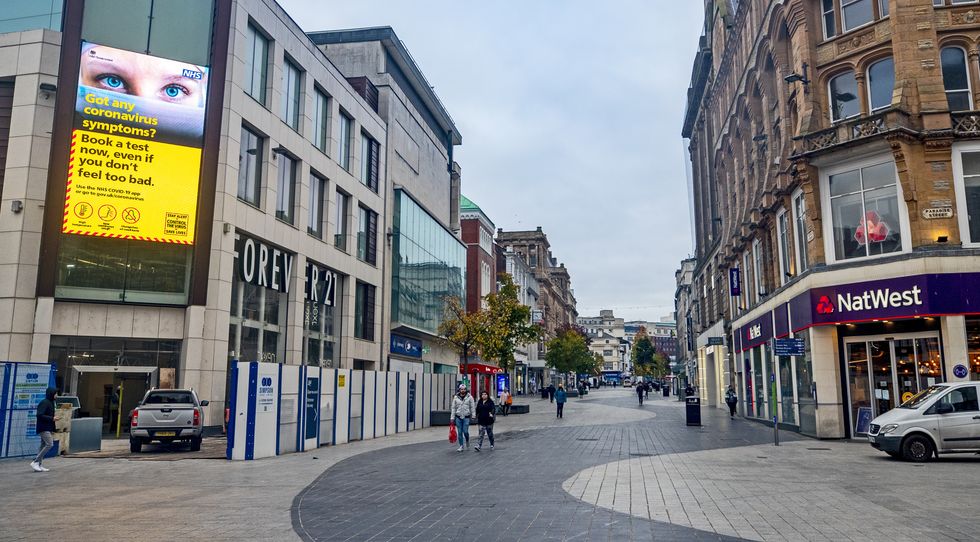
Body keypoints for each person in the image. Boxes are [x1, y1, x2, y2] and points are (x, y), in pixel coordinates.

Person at [31, 387, 58, 472]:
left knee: (43, 445)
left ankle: (39, 464)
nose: (57, 395)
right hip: (43, 427)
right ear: (51, 394)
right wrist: (52, 418)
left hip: (48, 427)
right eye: (55, 393)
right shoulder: (44, 402)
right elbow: (39, 415)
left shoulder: (51, 402)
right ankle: (35, 461)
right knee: (50, 444)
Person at [450, 385, 475, 452]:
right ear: (459, 390)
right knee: (460, 432)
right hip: (458, 417)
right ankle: (461, 446)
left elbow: (472, 407)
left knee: (465, 431)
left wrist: (473, 415)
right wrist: (452, 417)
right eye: (461, 389)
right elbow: (453, 408)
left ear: (466, 390)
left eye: (464, 389)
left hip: (466, 417)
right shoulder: (455, 398)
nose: (463, 390)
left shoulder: (470, 397)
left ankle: (467, 440)